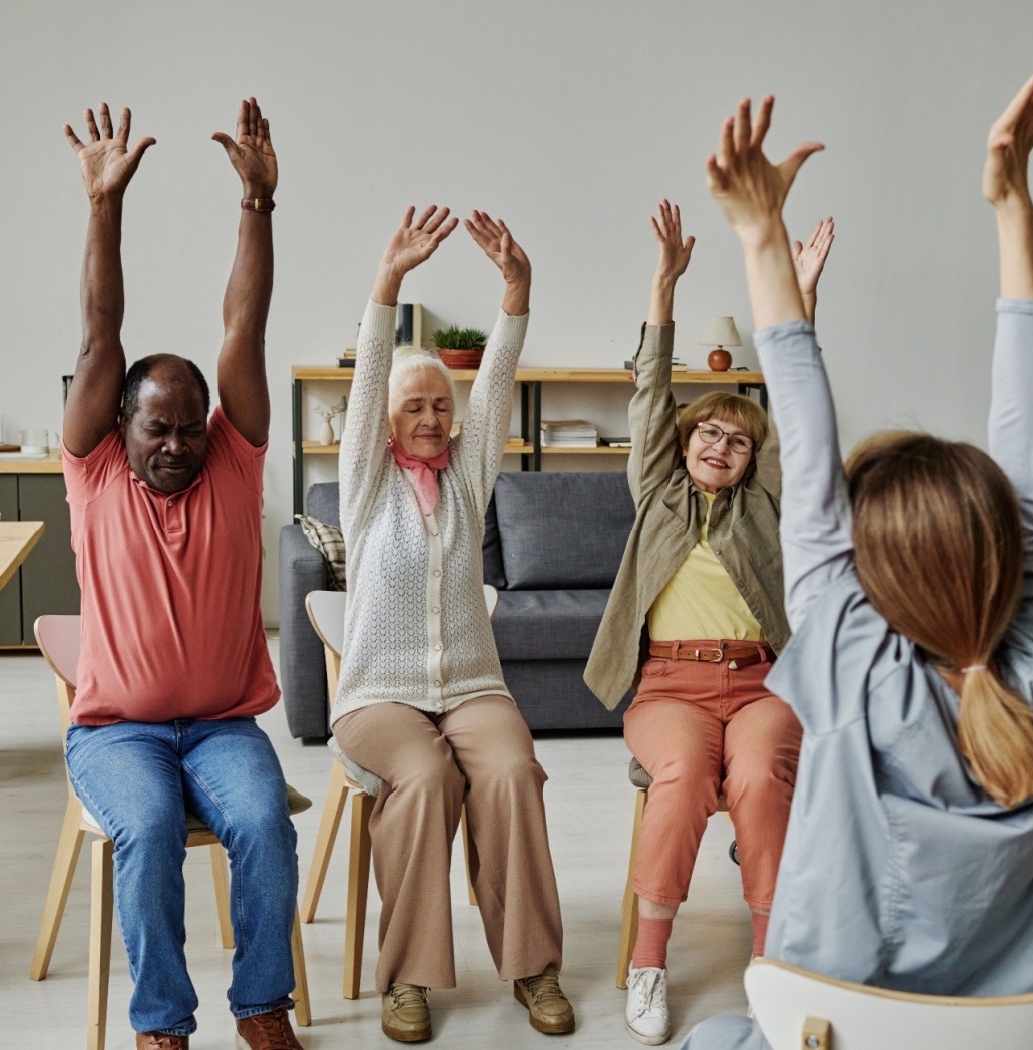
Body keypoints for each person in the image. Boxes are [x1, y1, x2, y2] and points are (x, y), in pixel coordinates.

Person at [685, 63, 1033, 1048]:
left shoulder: (852, 673)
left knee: (711, 1037)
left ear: (866, 583)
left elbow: (821, 482)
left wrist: (759, 240)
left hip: (830, 1034)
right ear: (1011, 563)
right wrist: (1010, 215)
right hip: (1016, 1035)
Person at [58, 99, 303, 1050]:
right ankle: (163, 1025)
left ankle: (262, 1006)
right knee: (150, 834)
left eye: (188, 424)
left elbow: (245, 325)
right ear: (119, 428)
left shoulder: (234, 463)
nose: (175, 441)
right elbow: (99, 331)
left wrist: (257, 203)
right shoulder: (95, 470)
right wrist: (104, 206)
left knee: (266, 830)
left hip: (221, 725)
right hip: (116, 733)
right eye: (156, 425)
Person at [585, 200, 832, 1044]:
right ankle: (649, 965)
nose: (721, 446)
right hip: (668, 686)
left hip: (762, 682)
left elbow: (798, 416)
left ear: (753, 460)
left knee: (762, 776)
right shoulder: (657, 491)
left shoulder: (764, 506)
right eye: (709, 434)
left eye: (738, 440)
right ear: (686, 444)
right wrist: (664, 286)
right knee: (685, 777)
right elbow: (651, 391)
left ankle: (772, 962)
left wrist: (800, 301)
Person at [330, 205, 573, 1043]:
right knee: (427, 780)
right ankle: (409, 979)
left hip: (472, 686)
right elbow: (367, 381)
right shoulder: (365, 485)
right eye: (413, 409)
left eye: (440, 405)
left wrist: (518, 291)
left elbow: (498, 382)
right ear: (388, 423)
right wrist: (388, 283)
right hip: (377, 697)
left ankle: (534, 967)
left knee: (510, 772)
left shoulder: (468, 481)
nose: (430, 418)